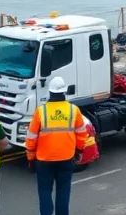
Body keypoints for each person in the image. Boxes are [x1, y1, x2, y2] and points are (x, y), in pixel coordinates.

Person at [26, 76, 88, 215]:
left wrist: (30, 158)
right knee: (63, 191)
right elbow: (81, 134)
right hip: (66, 158)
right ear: (64, 92)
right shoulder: (74, 110)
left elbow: (31, 138)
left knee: (44, 192)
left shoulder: (41, 111)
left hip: (44, 160)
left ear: (50, 92)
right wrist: (79, 150)